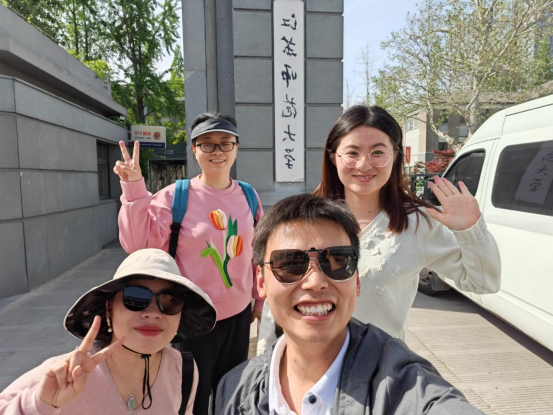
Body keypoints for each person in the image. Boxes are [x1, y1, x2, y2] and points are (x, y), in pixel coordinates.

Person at [258, 105, 501, 352]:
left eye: (377, 152)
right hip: (306, 363)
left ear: (395, 156)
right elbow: (275, 296)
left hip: (381, 366)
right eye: (352, 152)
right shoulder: (304, 218)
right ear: (333, 156)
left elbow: (483, 282)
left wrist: (470, 230)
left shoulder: (417, 224)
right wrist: (266, 359)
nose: (364, 165)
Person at [216, 193, 485, 414]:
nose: (315, 282)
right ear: (260, 282)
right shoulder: (234, 389)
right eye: (290, 264)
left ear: (357, 281)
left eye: (338, 261)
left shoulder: (404, 385)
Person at [114, 112, 264, 414]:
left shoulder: (248, 195)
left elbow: (258, 252)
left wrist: (259, 299)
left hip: (238, 316)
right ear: (195, 150)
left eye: (225, 143)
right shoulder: (175, 196)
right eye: (207, 144)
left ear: (236, 148)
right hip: (191, 317)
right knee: (190, 398)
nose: (217, 151)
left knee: (233, 394)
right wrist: (134, 188)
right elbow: (137, 245)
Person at [0, 248, 217, 414]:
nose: (153, 313)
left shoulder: (183, 370)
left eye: (171, 301)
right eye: (135, 298)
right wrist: (39, 405)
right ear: (108, 309)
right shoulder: (65, 374)